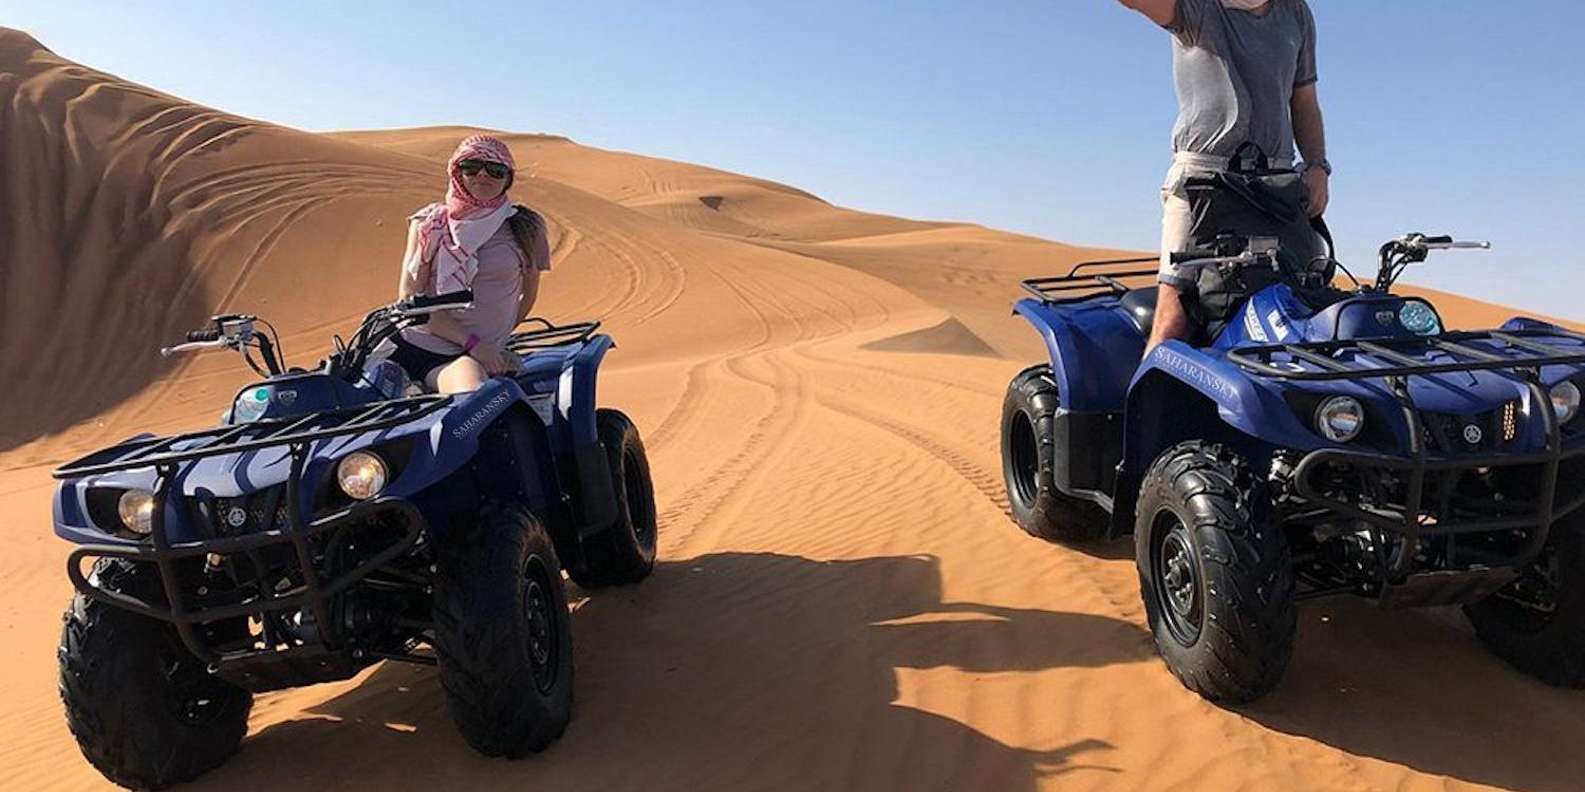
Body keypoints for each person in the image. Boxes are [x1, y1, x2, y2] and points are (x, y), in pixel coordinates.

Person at [1118, 0, 1331, 350]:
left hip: (1275, 188)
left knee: (1302, 310)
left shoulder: (1295, 12)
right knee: (1175, 316)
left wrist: (1317, 165)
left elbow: (1303, 99)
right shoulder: (1196, 7)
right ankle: (1144, 403)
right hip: (1203, 179)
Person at [388, 134, 552, 393]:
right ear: (457, 172)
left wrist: (494, 341)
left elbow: (528, 296)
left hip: (470, 357)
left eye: (495, 170)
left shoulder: (525, 226)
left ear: (508, 178)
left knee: (479, 398)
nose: (483, 176)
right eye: (471, 167)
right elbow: (411, 303)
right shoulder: (430, 224)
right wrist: (475, 343)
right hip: (421, 345)